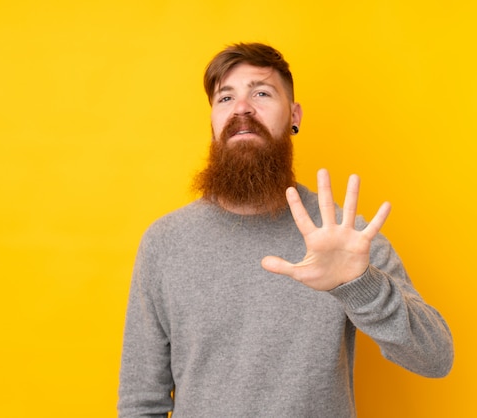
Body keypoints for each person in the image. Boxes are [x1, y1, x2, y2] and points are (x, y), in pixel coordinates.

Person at [118, 42, 453, 418]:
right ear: (212, 121)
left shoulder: (345, 238)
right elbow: (140, 402)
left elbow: (436, 357)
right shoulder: (165, 243)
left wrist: (360, 285)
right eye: (225, 98)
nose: (242, 107)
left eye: (261, 93)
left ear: (294, 115)